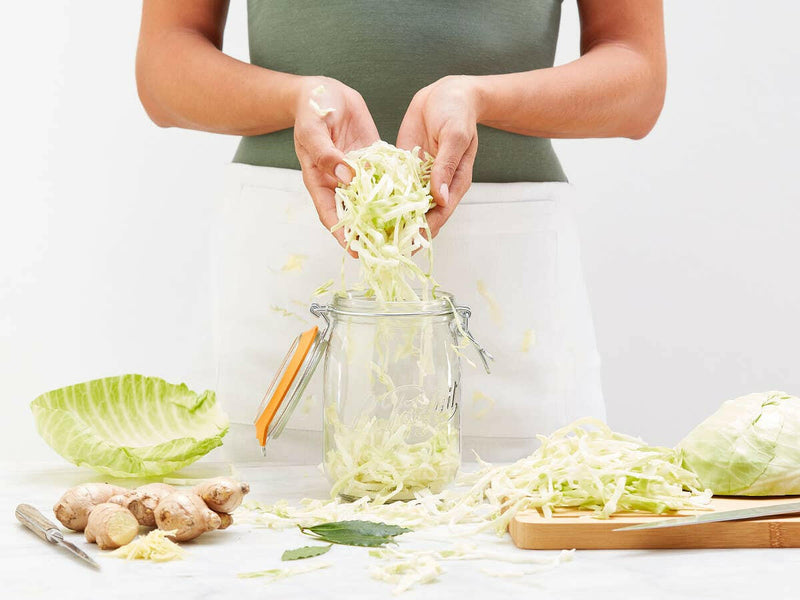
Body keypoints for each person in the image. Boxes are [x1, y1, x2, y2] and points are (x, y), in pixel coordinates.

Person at [136, 1, 666, 462]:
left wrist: (480, 98)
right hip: (293, 263)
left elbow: (637, 78)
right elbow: (164, 66)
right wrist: (298, 98)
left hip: (501, 281)